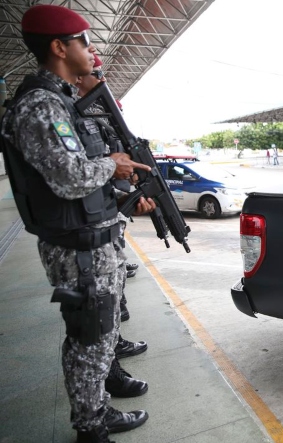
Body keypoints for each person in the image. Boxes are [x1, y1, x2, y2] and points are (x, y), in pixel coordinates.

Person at [0, 5, 154, 442]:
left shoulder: (60, 101)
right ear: (58, 47)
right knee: (90, 336)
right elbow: (70, 178)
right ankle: (91, 425)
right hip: (77, 247)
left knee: (98, 332)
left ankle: (97, 408)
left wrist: (118, 185)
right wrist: (113, 164)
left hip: (88, 239)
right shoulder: (41, 105)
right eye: (84, 40)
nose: (91, 49)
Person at [76, 55, 148, 362]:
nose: (101, 79)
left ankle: (112, 358)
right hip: (81, 233)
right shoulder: (54, 109)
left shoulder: (86, 116)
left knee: (105, 311)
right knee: (94, 319)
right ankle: (95, 403)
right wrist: (111, 167)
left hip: (100, 219)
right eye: (96, 73)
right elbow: (70, 177)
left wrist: (120, 198)